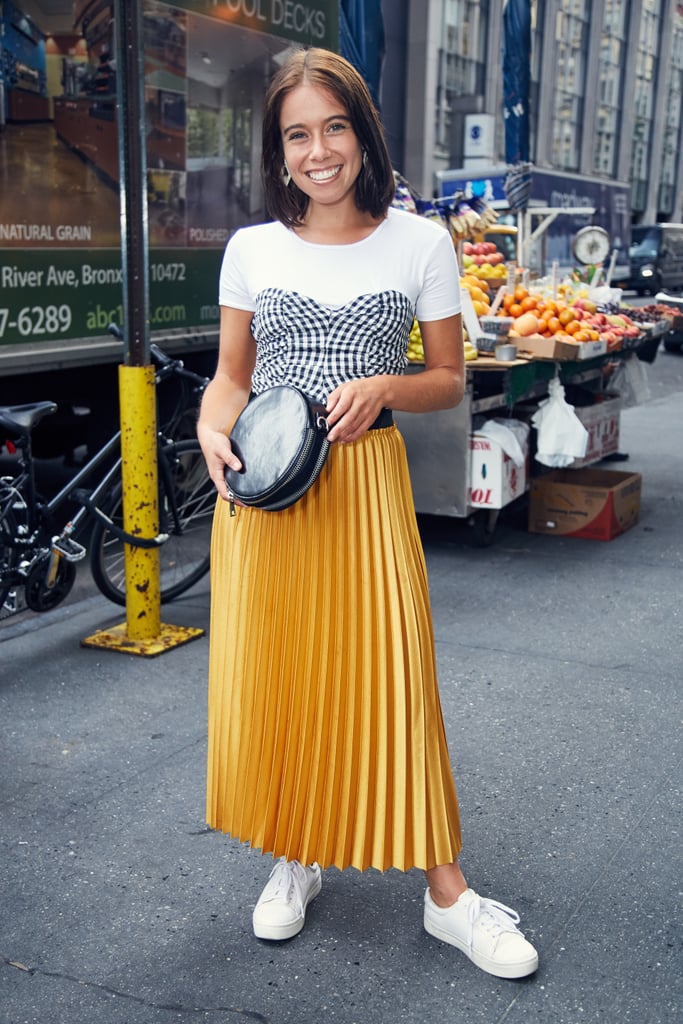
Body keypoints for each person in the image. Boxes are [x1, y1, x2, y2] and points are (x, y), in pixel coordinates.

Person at [197, 47, 538, 981]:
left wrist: (385, 385)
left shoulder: (418, 243)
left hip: (364, 490)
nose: (318, 151)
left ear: (362, 133)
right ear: (279, 148)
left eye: (333, 127)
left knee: (394, 679)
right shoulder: (251, 249)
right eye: (297, 134)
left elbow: (446, 381)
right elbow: (231, 380)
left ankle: (448, 895)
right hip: (265, 498)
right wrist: (208, 433)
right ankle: (295, 853)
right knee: (282, 679)